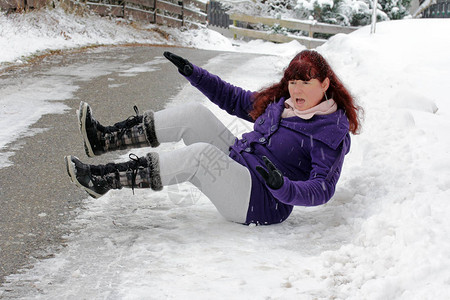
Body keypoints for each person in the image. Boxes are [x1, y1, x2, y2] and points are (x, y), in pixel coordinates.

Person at [64, 50, 361, 225]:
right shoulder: (280, 104)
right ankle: (104, 139)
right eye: (293, 82)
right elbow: (234, 99)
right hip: (239, 164)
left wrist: (283, 187)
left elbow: (322, 188)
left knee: (200, 156)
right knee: (194, 114)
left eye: (305, 83)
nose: (297, 90)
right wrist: (194, 74)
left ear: (324, 84)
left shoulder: (329, 131)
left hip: (261, 200)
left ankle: (103, 179)